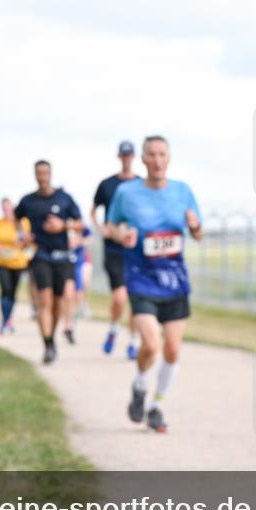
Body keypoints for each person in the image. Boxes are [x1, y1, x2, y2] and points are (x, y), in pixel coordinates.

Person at [106, 135, 203, 433]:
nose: (157, 160)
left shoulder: (183, 191)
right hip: (141, 277)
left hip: (174, 280)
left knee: (172, 349)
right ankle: (139, 383)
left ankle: (156, 406)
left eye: (162, 154)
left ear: (168, 158)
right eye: (152, 154)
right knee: (150, 344)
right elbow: (110, 225)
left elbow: (198, 233)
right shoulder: (126, 192)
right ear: (143, 159)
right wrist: (121, 235)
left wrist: (195, 226)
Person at [15, 160, 83, 364]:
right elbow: (16, 219)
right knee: (44, 300)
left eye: (46, 173)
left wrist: (63, 225)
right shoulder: (28, 200)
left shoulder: (64, 198)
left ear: (51, 174)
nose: (43, 177)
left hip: (62, 255)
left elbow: (80, 223)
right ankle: (48, 345)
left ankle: (51, 336)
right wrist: (23, 233)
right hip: (40, 254)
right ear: (35, 175)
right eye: (39, 173)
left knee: (58, 303)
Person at [92, 141, 141, 358]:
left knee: (136, 298)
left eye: (129, 155)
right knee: (120, 297)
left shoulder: (141, 184)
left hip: (136, 249)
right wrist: (101, 228)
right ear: (119, 157)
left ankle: (133, 341)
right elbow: (93, 210)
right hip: (113, 249)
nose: (127, 159)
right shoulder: (107, 184)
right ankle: (113, 329)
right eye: (124, 155)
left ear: (134, 157)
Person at [0, 198, 31, 335]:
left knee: (12, 292)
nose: (7, 211)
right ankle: (4, 321)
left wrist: (23, 241)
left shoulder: (23, 222)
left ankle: (8, 319)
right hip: (0, 261)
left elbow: (28, 240)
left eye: (9, 208)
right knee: (5, 288)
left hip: (18, 261)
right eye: (4, 208)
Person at [71, 225, 94, 321]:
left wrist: (80, 241)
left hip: (81, 259)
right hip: (68, 259)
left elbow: (90, 237)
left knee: (83, 284)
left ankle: (81, 305)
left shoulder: (82, 226)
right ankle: (73, 309)